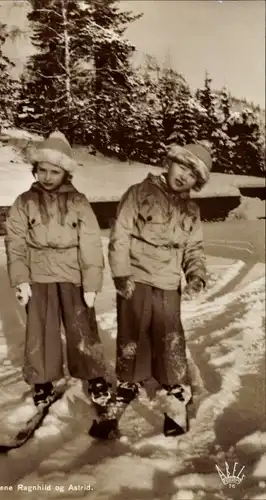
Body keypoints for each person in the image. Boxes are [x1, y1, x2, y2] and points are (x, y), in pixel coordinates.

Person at [5, 131, 115, 438]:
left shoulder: (78, 202)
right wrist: (20, 279)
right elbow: (15, 242)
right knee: (40, 331)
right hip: (38, 276)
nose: (48, 176)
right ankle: (42, 380)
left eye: (55, 171)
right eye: (43, 170)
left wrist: (92, 283)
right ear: (35, 169)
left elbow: (91, 243)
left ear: (66, 173)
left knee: (82, 329)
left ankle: (94, 377)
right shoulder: (24, 202)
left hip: (73, 275)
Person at [108, 142, 212, 437]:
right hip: (135, 278)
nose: (184, 175)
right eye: (182, 166)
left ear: (197, 182)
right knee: (131, 332)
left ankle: (175, 386)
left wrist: (196, 275)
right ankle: (128, 380)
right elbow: (120, 235)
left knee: (169, 336)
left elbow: (194, 248)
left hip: (167, 282)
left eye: (192, 174)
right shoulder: (138, 193)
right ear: (170, 162)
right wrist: (120, 273)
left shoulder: (191, 210)